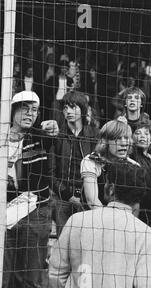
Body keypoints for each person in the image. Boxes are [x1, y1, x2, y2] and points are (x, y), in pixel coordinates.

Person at [48, 163, 151, 288]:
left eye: (106, 181)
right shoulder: (146, 235)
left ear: (111, 189)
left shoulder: (77, 221)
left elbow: (56, 273)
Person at [0, 91, 59, 288]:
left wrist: (56, 128)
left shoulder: (40, 136)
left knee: (33, 279)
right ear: (12, 111)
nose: (30, 114)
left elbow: (58, 139)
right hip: (5, 210)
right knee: (2, 276)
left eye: (34, 110)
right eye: (24, 109)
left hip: (36, 211)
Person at [51, 91, 99, 236]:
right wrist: (67, 194)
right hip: (63, 198)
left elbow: (100, 168)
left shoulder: (94, 134)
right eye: (65, 108)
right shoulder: (58, 135)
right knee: (64, 241)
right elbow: (51, 172)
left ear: (83, 109)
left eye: (73, 107)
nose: (69, 111)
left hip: (88, 197)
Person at [81, 118, 140, 210]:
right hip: (95, 218)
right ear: (105, 142)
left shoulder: (134, 166)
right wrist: (109, 222)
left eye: (126, 138)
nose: (124, 143)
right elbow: (92, 201)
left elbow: (135, 205)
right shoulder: (90, 161)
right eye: (118, 138)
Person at [130, 123, 151, 226]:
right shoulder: (131, 157)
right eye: (138, 133)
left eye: (146, 134)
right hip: (135, 208)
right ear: (132, 138)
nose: (142, 136)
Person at [118, 86, 151, 156]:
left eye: (137, 98)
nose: (132, 100)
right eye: (129, 98)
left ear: (141, 104)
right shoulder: (118, 124)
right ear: (125, 103)